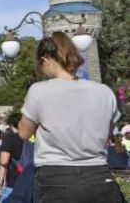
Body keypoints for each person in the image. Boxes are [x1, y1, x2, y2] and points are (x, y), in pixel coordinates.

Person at [18, 32, 124, 202]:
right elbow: (106, 134)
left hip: (55, 177)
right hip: (98, 175)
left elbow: (23, 133)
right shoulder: (104, 92)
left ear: (45, 60)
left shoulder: (39, 90)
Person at [0, 114, 23, 200]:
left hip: (13, 182)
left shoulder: (10, 139)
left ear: (11, 125)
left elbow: (3, 163)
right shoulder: (32, 138)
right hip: (30, 182)